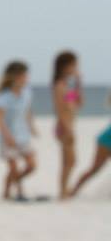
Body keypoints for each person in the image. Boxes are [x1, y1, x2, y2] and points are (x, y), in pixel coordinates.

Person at [0, 61, 38, 201]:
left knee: (32, 165)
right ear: (15, 77)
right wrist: (7, 137)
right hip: (7, 136)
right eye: (24, 75)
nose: (26, 78)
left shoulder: (27, 93)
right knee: (14, 167)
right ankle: (19, 193)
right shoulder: (3, 97)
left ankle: (7, 187)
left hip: (23, 135)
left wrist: (32, 127)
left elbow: (28, 111)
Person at [52, 50, 82, 199]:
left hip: (69, 125)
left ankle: (64, 190)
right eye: (74, 65)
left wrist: (78, 83)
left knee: (68, 161)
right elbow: (60, 110)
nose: (76, 68)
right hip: (64, 127)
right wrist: (68, 129)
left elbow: (78, 103)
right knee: (70, 161)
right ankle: (63, 191)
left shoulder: (67, 86)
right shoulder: (59, 85)